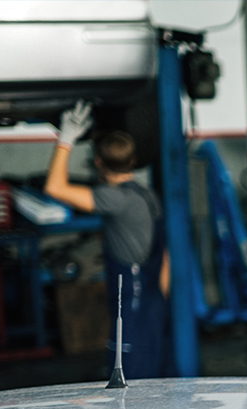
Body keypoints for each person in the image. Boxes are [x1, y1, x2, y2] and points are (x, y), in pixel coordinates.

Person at [46, 101, 171, 378]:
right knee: (151, 367)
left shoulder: (115, 199)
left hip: (133, 296)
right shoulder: (147, 195)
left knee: (129, 373)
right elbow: (165, 256)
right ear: (133, 161)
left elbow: (54, 187)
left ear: (98, 163)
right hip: (151, 295)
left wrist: (65, 140)